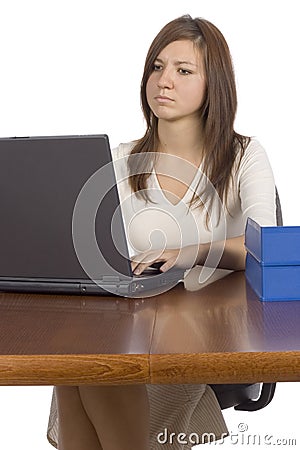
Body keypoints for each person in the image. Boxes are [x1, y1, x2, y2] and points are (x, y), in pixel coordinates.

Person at [47, 14, 277, 450]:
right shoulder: (120, 158)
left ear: (215, 85)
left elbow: (266, 243)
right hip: (139, 324)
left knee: (98, 373)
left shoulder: (245, 155)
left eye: (183, 70)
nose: (163, 80)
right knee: (78, 368)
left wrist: (190, 251)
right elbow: (84, 245)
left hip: (210, 332)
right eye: (157, 66)